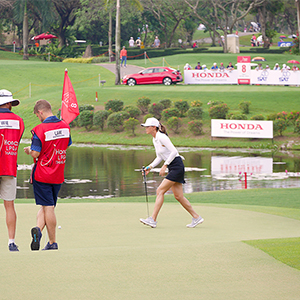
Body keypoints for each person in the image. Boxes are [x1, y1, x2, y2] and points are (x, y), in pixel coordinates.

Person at [24, 100, 72, 251]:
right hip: (58, 172)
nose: (38, 118)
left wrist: (29, 151)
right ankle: (38, 230)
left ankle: (52, 242)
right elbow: (67, 144)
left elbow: (36, 152)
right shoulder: (65, 126)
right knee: (47, 206)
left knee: (48, 206)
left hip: (42, 173)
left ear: (40, 112)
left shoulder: (40, 129)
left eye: (37, 115)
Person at [139, 118, 203, 228]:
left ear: (154, 127)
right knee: (178, 196)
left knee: (160, 190)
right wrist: (150, 167)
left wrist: (165, 165)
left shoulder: (162, 137)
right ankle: (196, 217)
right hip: (173, 167)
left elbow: (174, 151)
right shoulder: (155, 139)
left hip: (176, 166)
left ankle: (153, 220)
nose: (145, 128)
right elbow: (160, 156)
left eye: (147, 126)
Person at [0, 89, 24, 252]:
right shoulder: (19, 121)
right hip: (9, 166)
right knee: (9, 205)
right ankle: (11, 242)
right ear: (8, 104)